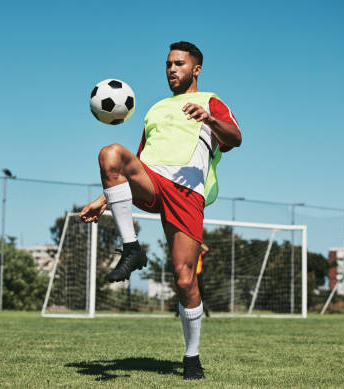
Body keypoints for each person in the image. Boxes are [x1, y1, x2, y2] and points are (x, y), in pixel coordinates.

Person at [79, 41, 241, 380]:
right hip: (153, 181)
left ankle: (191, 357)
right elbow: (135, 162)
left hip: (187, 192)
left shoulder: (210, 102)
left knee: (184, 278)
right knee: (111, 153)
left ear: (195, 69)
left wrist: (209, 119)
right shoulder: (153, 110)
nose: (171, 69)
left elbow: (236, 137)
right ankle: (131, 248)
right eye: (168, 64)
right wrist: (104, 198)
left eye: (179, 64)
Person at [176, 242, 210, 318]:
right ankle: (177, 313)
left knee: (201, 295)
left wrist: (198, 242)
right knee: (185, 293)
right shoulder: (189, 256)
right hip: (191, 275)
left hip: (198, 276)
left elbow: (206, 249)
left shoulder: (200, 255)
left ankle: (207, 312)